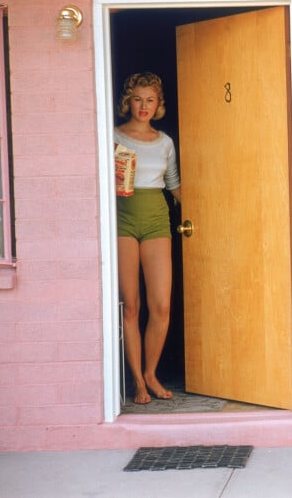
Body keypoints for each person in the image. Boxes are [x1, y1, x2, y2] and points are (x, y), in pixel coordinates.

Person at [115, 72, 180, 404]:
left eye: (150, 100)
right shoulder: (113, 135)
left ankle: (151, 373)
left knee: (161, 305)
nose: (144, 106)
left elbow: (174, 185)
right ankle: (138, 381)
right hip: (122, 219)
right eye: (138, 99)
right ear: (128, 101)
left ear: (158, 104)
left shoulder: (165, 142)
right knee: (131, 306)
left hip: (157, 219)